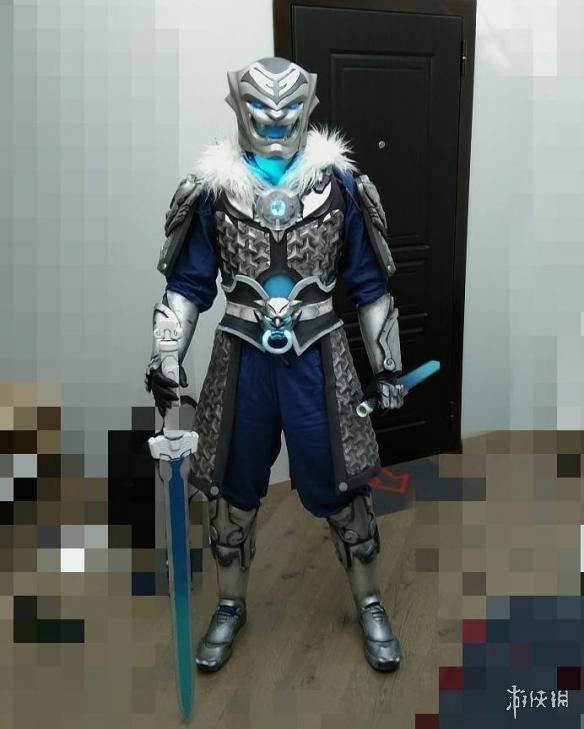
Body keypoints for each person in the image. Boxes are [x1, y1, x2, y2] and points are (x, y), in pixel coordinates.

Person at [145, 57, 405, 673]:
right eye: (261, 109)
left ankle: (369, 600)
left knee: (343, 489)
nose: (275, 121)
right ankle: (230, 605)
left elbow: (369, 285)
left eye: (287, 110)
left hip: (320, 360)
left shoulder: (341, 186)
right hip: (242, 360)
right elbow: (188, 285)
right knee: (233, 496)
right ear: (240, 107)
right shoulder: (213, 191)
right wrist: (165, 354)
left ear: (307, 107)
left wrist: (388, 367)